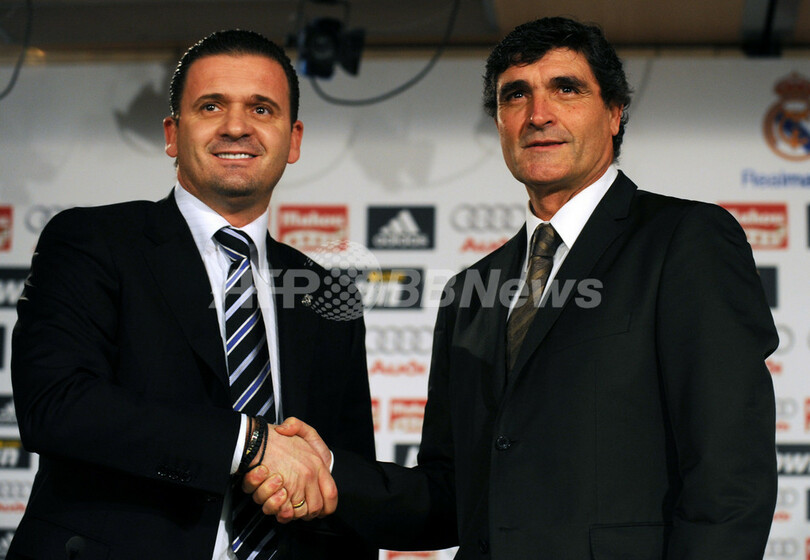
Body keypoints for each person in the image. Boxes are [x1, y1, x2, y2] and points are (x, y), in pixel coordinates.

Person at [251, 16, 779, 559]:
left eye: (566, 89)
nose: (538, 114)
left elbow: (731, 474)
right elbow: (450, 496)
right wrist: (328, 471)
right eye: (516, 95)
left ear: (615, 113)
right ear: (500, 122)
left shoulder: (685, 241)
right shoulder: (469, 293)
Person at [10, 29, 376, 560]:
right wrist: (249, 443)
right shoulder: (93, 241)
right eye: (211, 106)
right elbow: (57, 405)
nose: (236, 126)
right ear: (172, 134)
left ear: (293, 140)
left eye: (262, 109)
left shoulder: (324, 292)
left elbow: (343, 483)